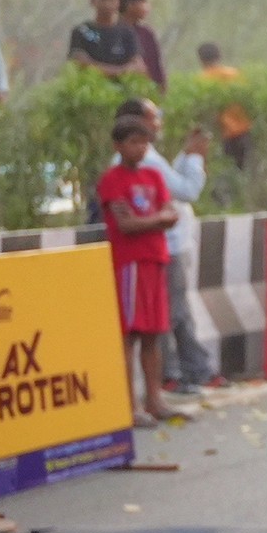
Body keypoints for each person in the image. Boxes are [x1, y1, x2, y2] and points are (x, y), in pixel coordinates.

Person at [116, 96, 221, 394]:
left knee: (176, 313)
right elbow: (185, 191)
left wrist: (187, 156)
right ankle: (174, 374)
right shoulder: (143, 162)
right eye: (154, 117)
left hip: (168, 245)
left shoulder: (149, 160)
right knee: (170, 315)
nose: (159, 123)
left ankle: (192, 370)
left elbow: (170, 189)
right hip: (161, 248)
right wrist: (194, 159)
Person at [97, 114, 180, 422]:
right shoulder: (112, 179)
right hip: (129, 264)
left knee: (152, 334)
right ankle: (129, 405)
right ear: (118, 145)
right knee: (129, 335)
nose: (140, 148)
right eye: (134, 142)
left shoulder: (154, 176)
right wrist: (158, 219)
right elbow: (126, 224)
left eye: (144, 142)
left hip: (155, 259)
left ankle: (154, 399)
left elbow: (172, 214)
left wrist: (149, 220)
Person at [198, 43, 254, 170]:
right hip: (244, 129)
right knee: (245, 169)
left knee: (228, 169)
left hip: (224, 134)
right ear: (219, 56)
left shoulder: (202, 80)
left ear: (201, 59)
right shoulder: (234, 74)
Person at [68, 0, 141, 77]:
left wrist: (125, 71)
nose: (108, 4)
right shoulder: (82, 31)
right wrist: (119, 71)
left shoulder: (127, 32)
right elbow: (81, 63)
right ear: (92, 1)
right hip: (91, 83)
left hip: (122, 85)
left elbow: (136, 64)